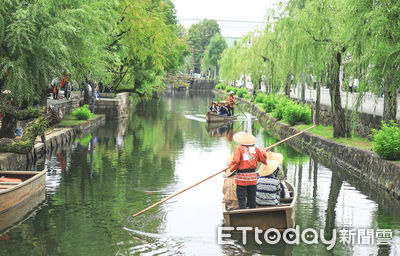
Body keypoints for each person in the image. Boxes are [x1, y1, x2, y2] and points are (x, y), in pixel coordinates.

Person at [228, 131, 268, 209]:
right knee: (252, 198)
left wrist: (231, 166)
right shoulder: (256, 149)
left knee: (241, 198)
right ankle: (252, 214)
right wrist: (263, 152)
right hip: (252, 177)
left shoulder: (239, 148)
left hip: (242, 178)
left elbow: (236, 161)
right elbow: (263, 159)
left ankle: (243, 214)